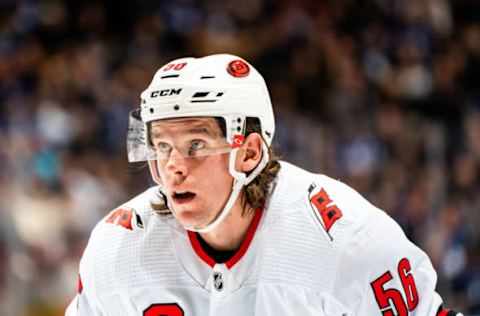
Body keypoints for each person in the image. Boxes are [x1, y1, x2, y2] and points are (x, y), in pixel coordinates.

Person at [66, 54, 462, 316]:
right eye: (162, 145)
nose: (173, 167)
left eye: (196, 145)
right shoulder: (117, 248)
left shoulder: (347, 241)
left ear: (250, 153)